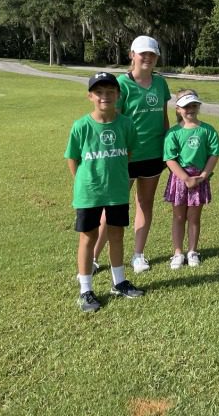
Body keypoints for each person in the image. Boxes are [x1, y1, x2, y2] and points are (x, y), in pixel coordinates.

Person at [65, 72, 144, 312]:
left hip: (117, 190)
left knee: (116, 234)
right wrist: (84, 182)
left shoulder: (126, 124)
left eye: (110, 92)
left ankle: (119, 282)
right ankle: (86, 289)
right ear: (90, 96)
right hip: (89, 192)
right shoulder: (81, 126)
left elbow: (128, 152)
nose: (105, 97)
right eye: (99, 92)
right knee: (88, 237)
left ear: (118, 95)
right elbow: (73, 159)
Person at [93, 35, 171, 274]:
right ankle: (93, 257)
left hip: (153, 155)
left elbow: (164, 118)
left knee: (145, 204)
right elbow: (112, 122)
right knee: (113, 207)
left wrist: (169, 149)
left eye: (152, 54)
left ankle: (138, 255)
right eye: (142, 53)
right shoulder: (121, 84)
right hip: (124, 156)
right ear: (132, 55)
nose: (147, 57)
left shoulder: (160, 83)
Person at [163, 89, 219, 269]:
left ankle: (192, 251)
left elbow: (214, 154)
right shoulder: (173, 132)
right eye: (185, 106)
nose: (190, 109)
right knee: (179, 216)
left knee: (194, 217)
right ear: (178, 109)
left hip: (199, 177)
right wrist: (185, 178)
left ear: (198, 106)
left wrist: (203, 175)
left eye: (193, 105)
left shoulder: (207, 130)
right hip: (179, 178)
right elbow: (170, 158)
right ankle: (177, 252)